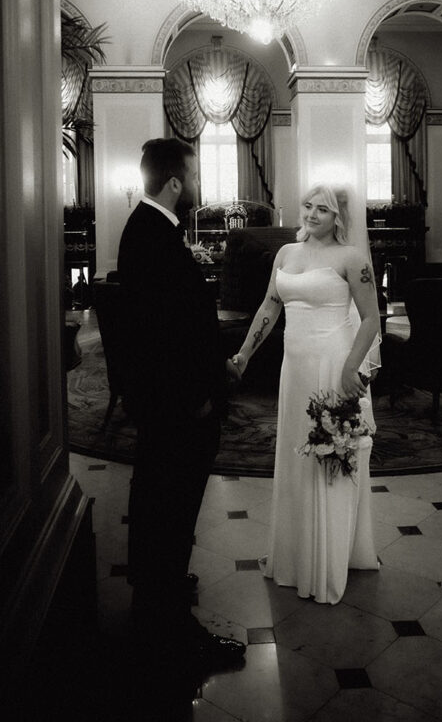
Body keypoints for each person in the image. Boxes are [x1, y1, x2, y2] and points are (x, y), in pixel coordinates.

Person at [117, 138, 245, 673]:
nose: (197, 185)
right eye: (193, 175)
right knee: (171, 512)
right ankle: (171, 635)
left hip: (161, 406)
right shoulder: (156, 240)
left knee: (156, 509)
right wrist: (200, 399)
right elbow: (169, 338)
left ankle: (157, 599)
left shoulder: (146, 231)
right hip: (177, 411)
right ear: (174, 182)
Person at [229, 184, 381, 604]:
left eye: (323, 210)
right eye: (308, 206)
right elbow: (268, 307)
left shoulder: (351, 259)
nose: (312, 215)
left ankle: (328, 560)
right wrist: (243, 354)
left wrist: (351, 367)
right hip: (293, 369)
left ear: (338, 217)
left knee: (329, 456)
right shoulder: (286, 255)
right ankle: (296, 554)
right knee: (297, 452)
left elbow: (370, 319)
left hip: (332, 366)